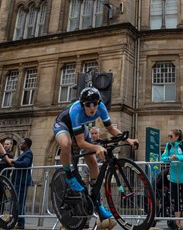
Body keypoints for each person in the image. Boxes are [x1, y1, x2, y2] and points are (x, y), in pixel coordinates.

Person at [53, 87, 139, 221]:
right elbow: (81, 143)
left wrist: (128, 140)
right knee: (66, 144)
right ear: (83, 104)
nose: (92, 107)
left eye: (95, 103)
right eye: (88, 104)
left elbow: (110, 128)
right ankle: (69, 175)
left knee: (92, 162)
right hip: (63, 125)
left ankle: (97, 204)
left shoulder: (101, 107)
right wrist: (97, 147)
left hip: (81, 127)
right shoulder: (76, 110)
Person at [161, 129, 183, 229]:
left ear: (177, 136)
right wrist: (169, 158)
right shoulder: (168, 145)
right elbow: (163, 157)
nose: (169, 138)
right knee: (176, 199)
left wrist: (177, 157)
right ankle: (177, 222)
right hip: (174, 177)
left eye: (171, 136)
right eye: (168, 136)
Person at [11, 138, 33, 230]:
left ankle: (21, 224)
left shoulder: (28, 153)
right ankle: (16, 222)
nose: (20, 144)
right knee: (17, 202)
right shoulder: (24, 153)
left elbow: (25, 163)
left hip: (22, 182)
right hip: (18, 181)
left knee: (19, 203)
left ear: (26, 144)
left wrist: (15, 162)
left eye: (22, 143)